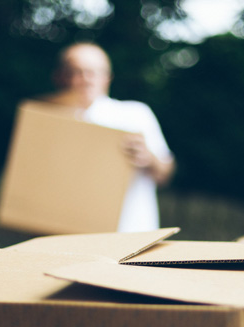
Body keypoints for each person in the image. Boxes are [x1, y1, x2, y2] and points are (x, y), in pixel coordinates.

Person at [43, 42, 175, 233]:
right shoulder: (47, 119)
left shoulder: (135, 114)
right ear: (61, 77)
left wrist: (149, 159)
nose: (87, 79)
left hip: (130, 234)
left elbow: (166, 172)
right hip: (66, 237)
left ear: (107, 78)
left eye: (94, 72)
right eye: (78, 71)